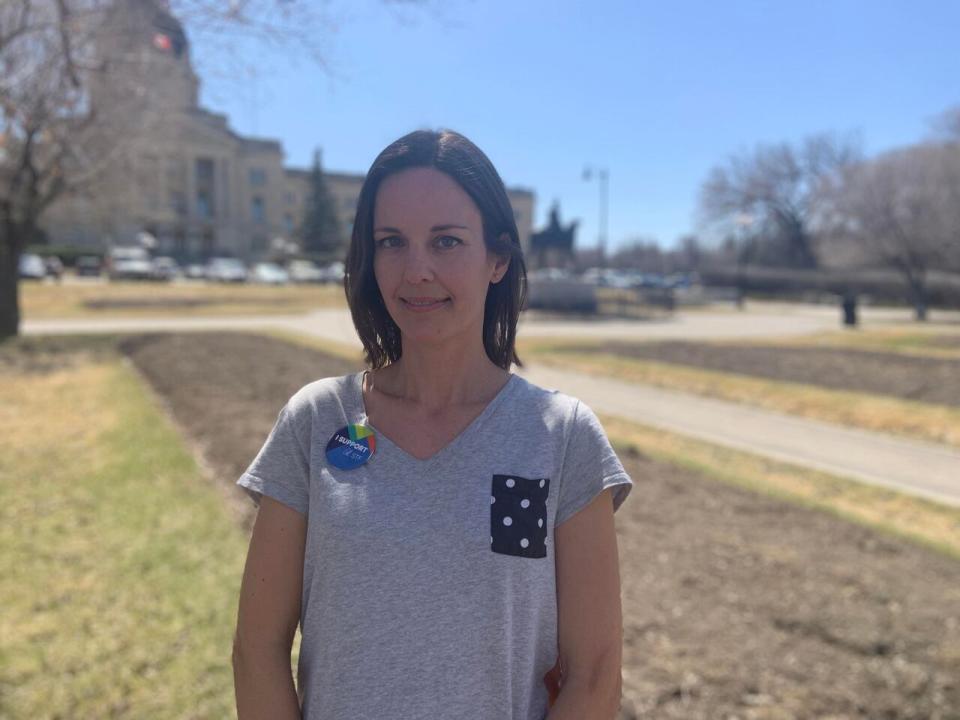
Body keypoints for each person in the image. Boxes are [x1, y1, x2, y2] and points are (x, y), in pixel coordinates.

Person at [232, 129, 634, 720]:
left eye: (446, 241)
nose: (415, 270)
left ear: (497, 258)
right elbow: (257, 652)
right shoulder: (317, 421)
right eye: (392, 242)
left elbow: (595, 675)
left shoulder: (562, 437)